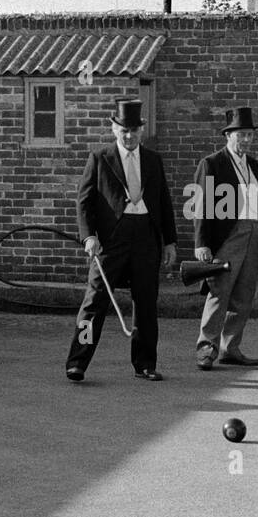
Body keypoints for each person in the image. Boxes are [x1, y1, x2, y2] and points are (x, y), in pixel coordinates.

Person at [65, 99, 177, 382]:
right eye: (123, 130)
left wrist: (169, 242)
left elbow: (164, 202)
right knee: (94, 301)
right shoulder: (100, 158)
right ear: (114, 129)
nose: (129, 136)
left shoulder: (153, 160)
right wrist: (89, 236)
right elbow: (84, 202)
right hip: (111, 239)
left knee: (146, 303)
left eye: (134, 131)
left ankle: (145, 364)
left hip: (146, 237)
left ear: (141, 130)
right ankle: (77, 362)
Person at [193, 107, 258, 370]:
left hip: (252, 233)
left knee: (244, 295)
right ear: (228, 135)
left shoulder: (252, 163)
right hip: (227, 236)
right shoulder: (212, 163)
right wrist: (202, 243)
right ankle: (206, 349)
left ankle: (230, 348)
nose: (245, 140)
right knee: (219, 292)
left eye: (249, 135)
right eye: (240, 135)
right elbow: (201, 204)